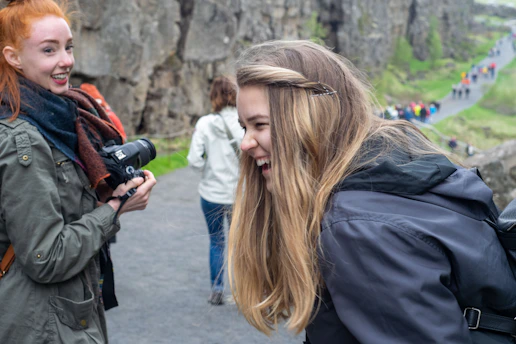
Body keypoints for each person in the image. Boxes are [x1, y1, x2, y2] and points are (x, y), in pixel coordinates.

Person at [228, 40, 516, 343]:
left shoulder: (357, 228)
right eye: (243, 128)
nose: (246, 143)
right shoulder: (401, 162)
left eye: (260, 124)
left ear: (311, 119)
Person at [0, 1, 157, 343]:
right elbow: (46, 257)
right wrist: (114, 209)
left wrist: (106, 195)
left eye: (68, 47)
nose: (66, 61)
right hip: (41, 323)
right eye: (49, 50)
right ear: (13, 57)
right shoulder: (22, 137)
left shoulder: (57, 118)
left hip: (62, 313)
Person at [187, 75, 243, 305]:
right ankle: (245, 291)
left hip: (211, 194)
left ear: (214, 96)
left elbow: (194, 160)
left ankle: (217, 288)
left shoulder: (205, 123)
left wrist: (206, 168)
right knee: (241, 242)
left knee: (216, 241)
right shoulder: (243, 122)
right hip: (239, 195)